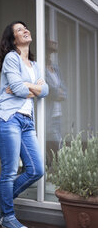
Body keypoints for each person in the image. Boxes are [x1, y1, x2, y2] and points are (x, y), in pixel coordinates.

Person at [0, 21, 49, 228]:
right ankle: (8, 216)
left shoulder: (34, 64)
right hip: (8, 119)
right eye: (19, 30)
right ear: (13, 39)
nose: (25, 30)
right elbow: (17, 88)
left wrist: (26, 88)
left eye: (26, 27)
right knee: (10, 172)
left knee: (36, 169)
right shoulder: (11, 58)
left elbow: (45, 90)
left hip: (26, 121)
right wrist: (32, 88)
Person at [45, 39, 67, 167]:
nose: (49, 56)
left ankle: (54, 170)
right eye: (48, 52)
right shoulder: (40, 68)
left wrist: (59, 93)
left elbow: (64, 89)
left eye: (50, 53)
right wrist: (55, 92)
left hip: (57, 113)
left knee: (55, 144)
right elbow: (46, 89)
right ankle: (56, 170)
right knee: (57, 145)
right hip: (47, 114)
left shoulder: (56, 69)